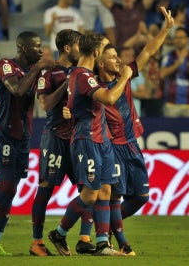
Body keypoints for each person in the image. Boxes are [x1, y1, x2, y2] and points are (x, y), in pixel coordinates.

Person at [95, 5, 174, 254]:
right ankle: (117, 240)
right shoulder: (94, 85)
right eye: (113, 57)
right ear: (99, 62)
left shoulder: (126, 72)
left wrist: (166, 29)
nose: (118, 60)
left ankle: (105, 227)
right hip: (112, 147)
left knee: (141, 196)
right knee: (114, 198)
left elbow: (148, 51)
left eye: (118, 56)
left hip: (131, 144)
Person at [47, 31, 132, 256]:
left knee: (105, 189)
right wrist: (124, 77)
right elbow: (109, 98)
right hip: (87, 139)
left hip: (100, 137)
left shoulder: (80, 74)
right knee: (90, 194)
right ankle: (60, 233)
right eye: (103, 49)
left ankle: (103, 243)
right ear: (95, 52)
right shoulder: (83, 75)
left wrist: (71, 110)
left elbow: (75, 102)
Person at [0, 31, 55, 256]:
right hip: (2, 133)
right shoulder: (6, 65)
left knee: (12, 189)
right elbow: (17, 89)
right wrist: (39, 69)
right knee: (6, 186)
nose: (40, 50)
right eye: (37, 46)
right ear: (23, 48)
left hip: (23, 136)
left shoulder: (34, 71)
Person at [30, 29, 96, 256]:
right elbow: (45, 104)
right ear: (68, 48)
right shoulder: (49, 72)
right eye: (79, 45)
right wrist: (66, 83)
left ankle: (84, 239)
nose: (82, 49)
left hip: (79, 137)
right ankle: (37, 242)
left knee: (88, 188)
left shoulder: (84, 71)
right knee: (46, 187)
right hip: (56, 136)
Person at [160, 27, 189, 118]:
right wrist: (178, 63)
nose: (178, 40)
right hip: (171, 104)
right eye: (176, 38)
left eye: (181, 38)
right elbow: (162, 74)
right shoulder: (169, 56)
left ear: (187, 40)